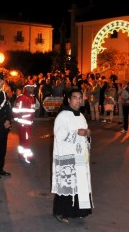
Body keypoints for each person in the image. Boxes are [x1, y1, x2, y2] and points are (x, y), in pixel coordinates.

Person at [52, 89, 94, 223]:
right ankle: (60, 212)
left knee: (81, 184)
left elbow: (85, 134)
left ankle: (80, 211)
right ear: (69, 100)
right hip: (67, 156)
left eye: (80, 97)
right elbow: (59, 135)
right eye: (75, 97)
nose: (78, 100)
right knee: (66, 184)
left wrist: (87, 133)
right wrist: (78, 132)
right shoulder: (62, 116)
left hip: (81, 155)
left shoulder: (81, 116)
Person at [12, 84, 36, 163]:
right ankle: (28, 158)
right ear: (27, 88)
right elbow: (15, 110)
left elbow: (32, 111)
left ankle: (21, 156)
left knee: (23, 141)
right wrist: (17, 119)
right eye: (31, 87)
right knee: (26, 141)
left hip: (27, 123)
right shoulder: (21, 98)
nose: (33, 88)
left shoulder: (32, 98)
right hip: (23, 123)